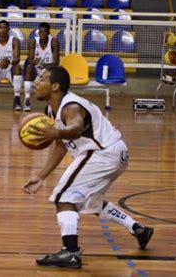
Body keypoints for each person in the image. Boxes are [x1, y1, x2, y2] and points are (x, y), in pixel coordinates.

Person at [22, 66, 154, 269]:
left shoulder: (70, 107)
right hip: (113, 152)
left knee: (63, 197)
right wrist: (41, 176)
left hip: (102, 153)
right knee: (90, 201)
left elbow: (74, 129)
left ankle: (71, 253)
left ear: (55, 86)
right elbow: (61, 144)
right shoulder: (52, 109)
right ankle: (138, 229)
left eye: (41, 79)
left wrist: (56, 133)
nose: (35, 82)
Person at [24, 22, 60, 111]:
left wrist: (46, 65)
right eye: (41, 32)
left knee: (57, 72)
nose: (43, 34)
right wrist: (34, 61)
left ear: (49, 32)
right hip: (37, 71)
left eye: (45, 32)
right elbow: (30, 60)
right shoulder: (33, 42)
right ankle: (27, 99)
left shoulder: (53, 42)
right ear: (38, 33)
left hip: (49, 71)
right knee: (29, 67)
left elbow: (56, 61)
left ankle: (53, 103)